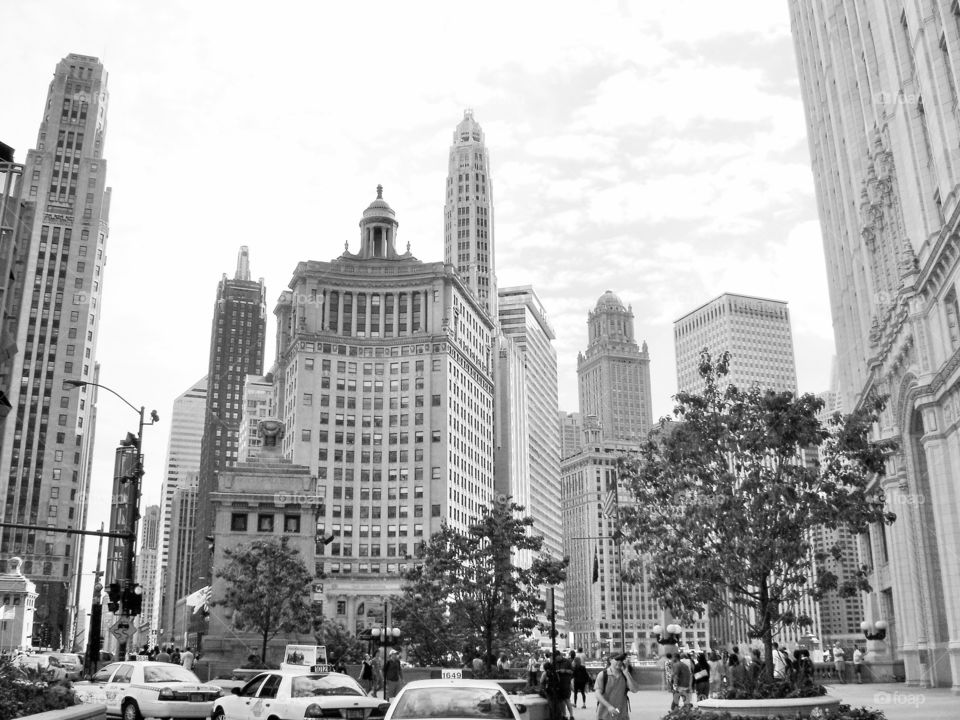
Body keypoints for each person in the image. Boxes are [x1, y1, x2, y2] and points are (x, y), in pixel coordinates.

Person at [596, 653, 638, 720]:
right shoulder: (603, 675)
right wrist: (609, 706)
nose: (619, 662)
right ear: (610, 660)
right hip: (604, 715)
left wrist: (627, 674)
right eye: (617, 659)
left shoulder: (625, 675)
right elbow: (598, 694)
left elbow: (635, 690)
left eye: (621, 660)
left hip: (622, 715)